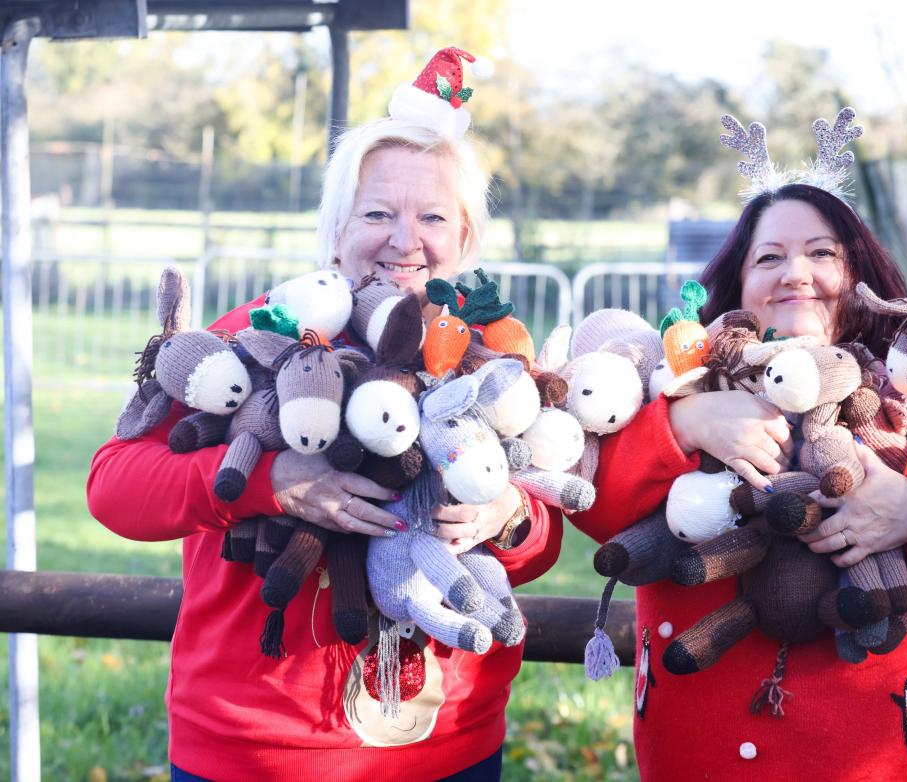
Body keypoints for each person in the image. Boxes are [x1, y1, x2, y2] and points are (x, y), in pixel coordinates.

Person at [571, 114, 907, 780]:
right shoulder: (675, 387)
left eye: (823, 253)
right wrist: (689, 424)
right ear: (736, 287)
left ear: (864, 277)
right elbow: (594, 508)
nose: (797, 273)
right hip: (700, 758)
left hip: (890, 759)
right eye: (770, 257)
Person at [87, 48, 560, 781]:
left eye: (433, 216)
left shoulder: (489, 361)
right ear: (335, 227)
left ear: (464, 238)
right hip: (256, 747)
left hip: (445, 746)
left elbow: (541, 533)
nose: (406, 240)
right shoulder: (258, 334)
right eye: (378, 213)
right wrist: (269, 479)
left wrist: (505, 513)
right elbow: (115, 486)